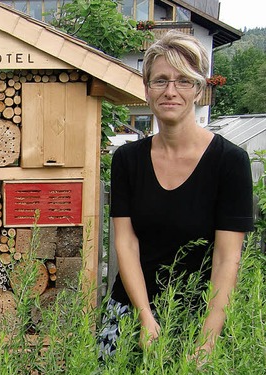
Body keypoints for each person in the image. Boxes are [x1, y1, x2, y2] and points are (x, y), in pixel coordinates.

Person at [99, 30, 254, 360]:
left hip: (198, 318)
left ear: (199, 90)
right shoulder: (127, 160)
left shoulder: (230, 163)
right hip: (130, 311)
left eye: (183, 81)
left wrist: (208, 340)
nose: (171, 91)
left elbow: (228, 259)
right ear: (147, 89)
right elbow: (125, 243)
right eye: (161, 80)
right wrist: (145, 317)